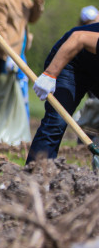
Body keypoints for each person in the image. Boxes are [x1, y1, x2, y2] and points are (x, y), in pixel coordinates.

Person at [26, 21, 99, 162]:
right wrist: (50, 74)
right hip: (70, 61)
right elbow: (79, 38)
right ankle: (36, 175)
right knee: (56, 121)